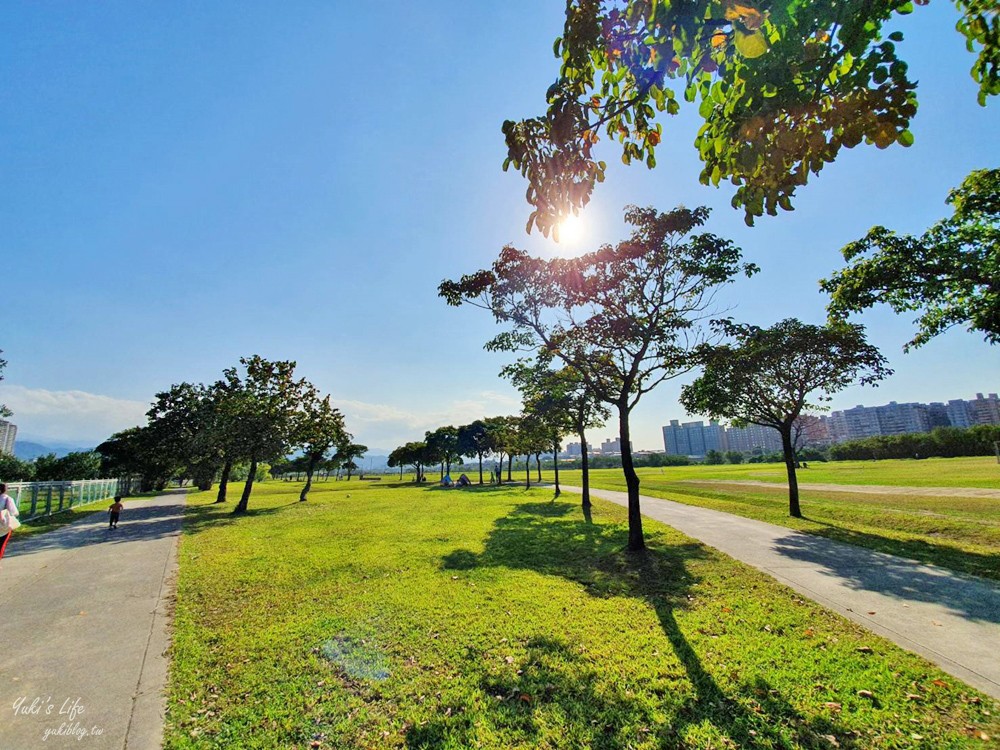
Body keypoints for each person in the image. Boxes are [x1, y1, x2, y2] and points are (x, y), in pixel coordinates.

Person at [0, 483, 21, 562]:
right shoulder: (7, 499)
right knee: (2, 544)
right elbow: (14, 512)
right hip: (4, 525)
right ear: (6, 490)